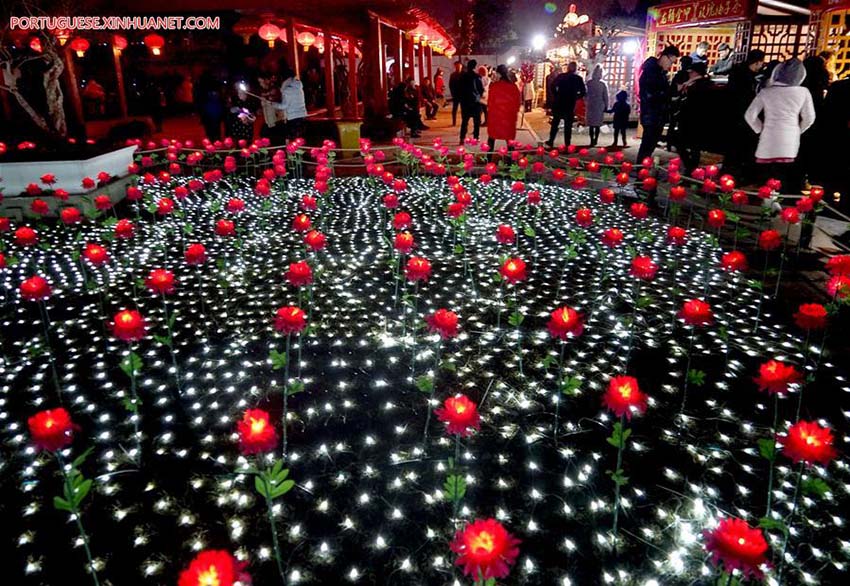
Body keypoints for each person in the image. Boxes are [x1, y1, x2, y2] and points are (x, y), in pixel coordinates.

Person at [745, 59, 816, 193]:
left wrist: (760, 129)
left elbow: (749, 115)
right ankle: (784, 207)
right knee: (785, 176)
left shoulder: (766, 92)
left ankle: (768, 203)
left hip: (768, 137)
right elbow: (810, 118)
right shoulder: (803, 92)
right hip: (790, 139)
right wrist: (798, 130)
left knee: (767, 178)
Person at [722, 49, 765, 180]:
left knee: (733, 146)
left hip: (732, 113)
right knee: (741, 145)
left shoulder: (737, 71)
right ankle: (737, 174)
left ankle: (728, 172)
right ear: (757, 62)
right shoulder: (747, 76)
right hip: (744, 114)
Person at [636, 45, 680, 163]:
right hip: (651, 114)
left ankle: (642, 168)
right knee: (647, 145)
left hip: (658, 115)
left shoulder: (660, 72)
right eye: (671, 62)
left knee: (650, 145)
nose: (671, 66)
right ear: (665, 57)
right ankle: (640, 169)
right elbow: (651, 95)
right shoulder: (650, 71)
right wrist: (669, 92)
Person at [676, 62, 714, 174]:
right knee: (693, 147)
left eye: (691, 72)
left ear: (696, 73)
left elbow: (692, 103)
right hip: (696, 120)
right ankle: (691, 169)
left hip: (692, 119)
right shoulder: (698, 83)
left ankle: (691, 169)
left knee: (685, 144)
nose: (689, 74)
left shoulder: (698, 85)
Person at [822, 77, 850, 211]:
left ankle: (826, 201)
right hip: (840, 134)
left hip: (834, 134)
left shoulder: (837, 86)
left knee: (832, 169)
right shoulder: (838, 86)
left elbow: (826, 110)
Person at [546, 61, 586, 148]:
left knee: (555, 123)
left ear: (568, 68)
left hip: (559, 101)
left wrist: (556, 94)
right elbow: (583, 91)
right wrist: (576, 97)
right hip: (569, 103)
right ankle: (567, 143)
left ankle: (551, 140)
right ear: (575, 69)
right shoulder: (577, 78)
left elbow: (552, 86)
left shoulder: (561, 76)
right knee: (568, 125)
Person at [485, 64, 521, 153]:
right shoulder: (513, 87)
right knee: (509, 141)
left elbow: (490, 103)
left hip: (496, 117)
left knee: (491, 139)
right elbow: (517, 103)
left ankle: (488, 161)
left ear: (498, 74)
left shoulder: (494, 86)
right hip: (509, 117)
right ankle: (510, 163)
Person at [276, 66, 307, 141]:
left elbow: (284, 106)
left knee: (292, 140)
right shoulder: (299, 87)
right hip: (302, 116)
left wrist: (273, 104)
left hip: (293, 118)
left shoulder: (287, 90)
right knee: (300, 140)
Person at [458, 60, 484, 143]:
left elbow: (459, 88)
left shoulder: (462, 76)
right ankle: (476, 137)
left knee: (464, 121)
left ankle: (462, 138)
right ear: (475, 67)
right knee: (476, 121)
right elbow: (481, 89)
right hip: (475, 101)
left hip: (465, 102)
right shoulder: (477, 76)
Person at [195, 70, 225, 141]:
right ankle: (216, 137)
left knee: (209, 124)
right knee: (215, 124)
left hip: (208, 105)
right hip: (213, 106)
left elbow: (198, 96)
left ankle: (212, 137)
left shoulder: (201, 84)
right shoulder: (215, 83)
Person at [585, 65, 609, 147]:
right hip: (599, 104)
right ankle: (595, 140)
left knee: (591, 124)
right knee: (597, 124)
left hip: (591, 104)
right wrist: (606, 105)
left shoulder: (589, 83)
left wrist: (586, 102)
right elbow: (605, 96)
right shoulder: (602, 84)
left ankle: (592, 139)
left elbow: (586, 94)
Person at [448, 61, 464, 126]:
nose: (458, 67)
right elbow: (450, 85)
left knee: (464, 110)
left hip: (463, 95)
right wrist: (452, 93)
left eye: (459, 66)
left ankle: (464, 121)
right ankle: (454, 122)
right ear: (455, 66)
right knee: (454, 109)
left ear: (461, 66)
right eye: (457, 66)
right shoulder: (453, 75)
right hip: (456, 95)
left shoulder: (464, 74)